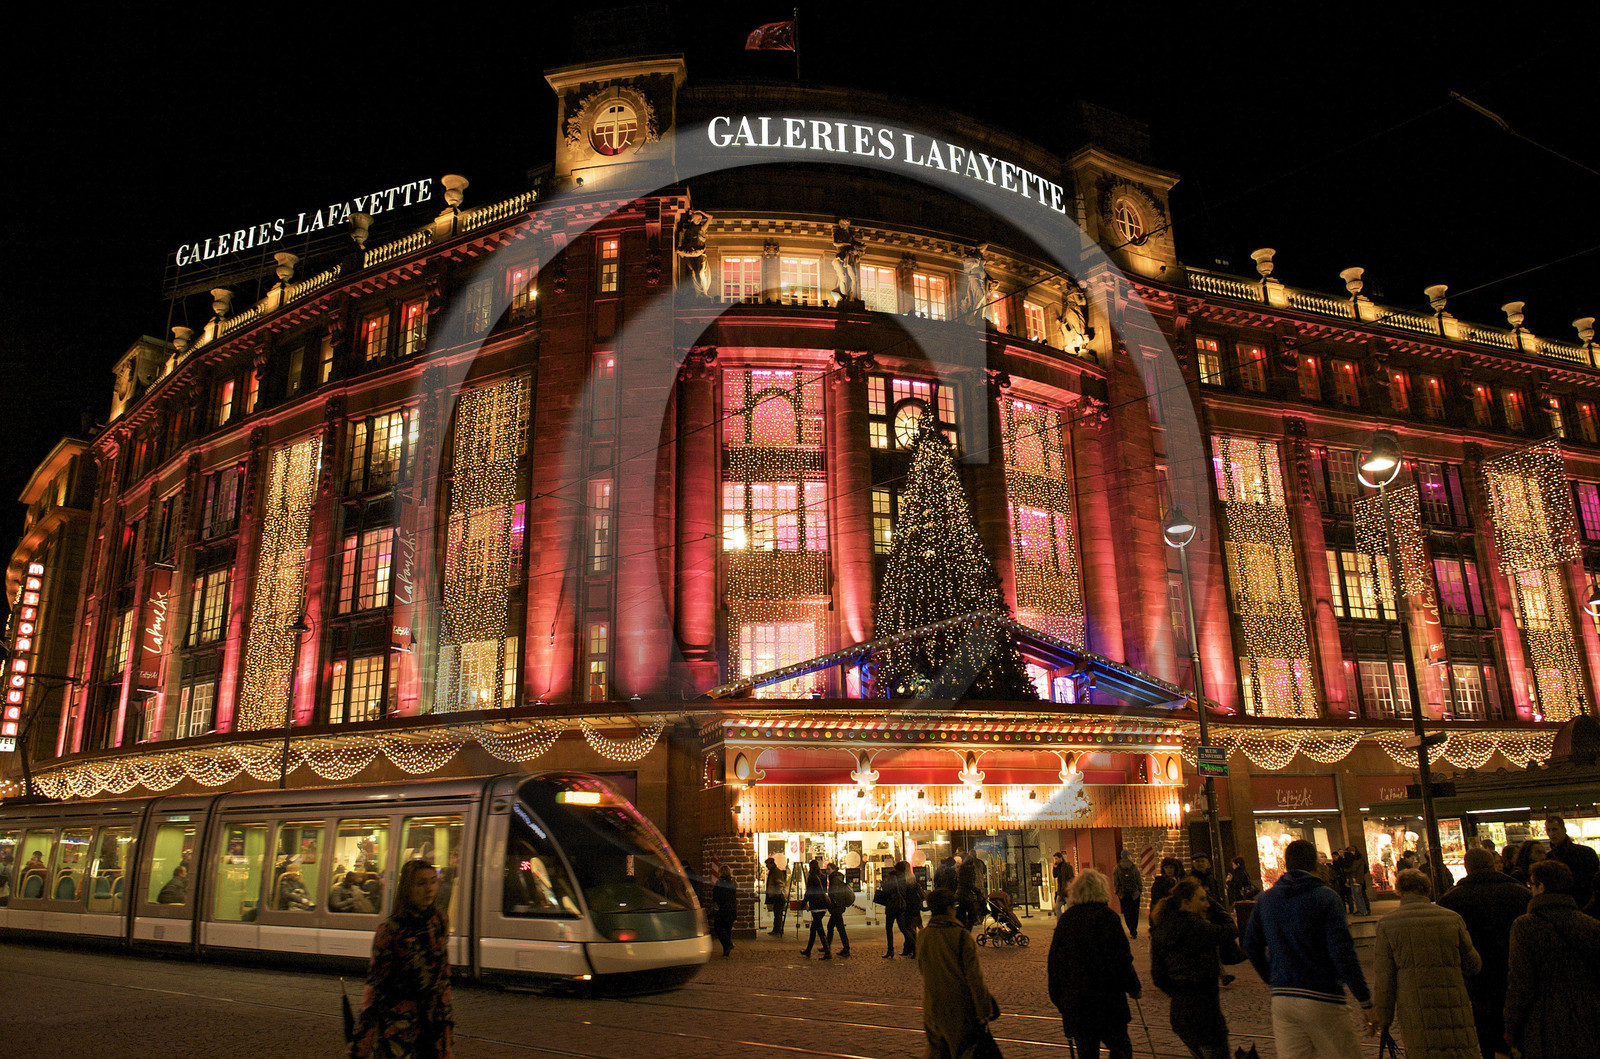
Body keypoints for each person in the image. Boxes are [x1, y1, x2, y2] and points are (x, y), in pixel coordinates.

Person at [1242, 838, 1372, 1059]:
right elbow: (1343, 952)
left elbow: (1251, 945)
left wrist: (1273, 978)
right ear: (1315, 863)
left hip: (1283, 999)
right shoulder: (1325, 897)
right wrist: (1365, 1000)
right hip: (1323, 995)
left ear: (1286, 864)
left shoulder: (1267, 899)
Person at [1371, 869, 1481, 1058]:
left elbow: (1385, 979)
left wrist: (1384, 1018)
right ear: (1427, 889)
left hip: (1416, 1011)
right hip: (1454, 1005)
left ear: (1400, 891)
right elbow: (1473, 964)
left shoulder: (1388, 924)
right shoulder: (1452, 918)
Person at [351, 860, 453, 1059]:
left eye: (433, 882)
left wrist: (447, 1023)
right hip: (400, 1030)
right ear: (407, 888)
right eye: (421, 884)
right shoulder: (390, 930)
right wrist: (361, 1044)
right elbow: (374, 989)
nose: (429, 889)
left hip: (434, 1026)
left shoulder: (439, 921)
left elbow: (444, 977)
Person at [1439, 846, 1531, 1059]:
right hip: (1513, 968)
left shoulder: (1452, 900)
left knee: (1484, 1025)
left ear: (1467, 868)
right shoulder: (1520, 893)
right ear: (1492, 865)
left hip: (1477, 975)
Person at [1503, 859, 1600, 1059]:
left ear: (1541, 887)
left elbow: (1521, 981)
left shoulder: (1525, 926)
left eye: (1532, 884)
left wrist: (1511, 1028)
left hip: (1544, 1021)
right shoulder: (1591, 925)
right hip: (1589, 1017)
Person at [1048, 869, 1141, 1059]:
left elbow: (1055, 963)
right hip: (1108, 1000)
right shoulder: (1108, 917)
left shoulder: (1067, 920)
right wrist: (1133, 986)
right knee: (1120, 1048)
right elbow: (1122, 958)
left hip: (1077, 1003)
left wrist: (1060, 999)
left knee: (1087, 1052)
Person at [1151, 876, 1237, 1059]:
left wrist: (1179, 993)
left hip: (1180, 1013)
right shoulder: (1196, 927)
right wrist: (1214, 904)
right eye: (1202, 899)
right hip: (1205, 1014)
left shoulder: (1161, 929)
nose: (1206, 904)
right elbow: (1230, 929)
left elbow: (1158, 976)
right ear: (1186, 903)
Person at [917, 888, 999, 1059]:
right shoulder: (960, 936)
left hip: (932, 1009)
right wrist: (984, 1010)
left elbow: (923, 969)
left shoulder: (923, 936)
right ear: (949, 908)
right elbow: (975, 978)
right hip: (959, 1010)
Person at [1542, 815, 1598, 909]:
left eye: (1555, 829)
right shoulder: (1548, 858)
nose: (1551, 834)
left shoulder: (1585, 853)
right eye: (1549, 830)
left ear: (1564, 830)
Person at [799, 861, 830, 958]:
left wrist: (803, 903)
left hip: (815, 905)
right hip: (823, 905)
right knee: (814, 929)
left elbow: (809, 892)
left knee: (819, 929)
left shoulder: (811, 877)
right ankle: (808, 950)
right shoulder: (823, 876)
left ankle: (827, 951)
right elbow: (824, 890)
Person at [1112, 849, 1143, 938]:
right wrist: (1139, 890)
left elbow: (1116, 881)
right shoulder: (1133, 867)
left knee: (1127, 912)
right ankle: (1134, 930)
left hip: (1123, 894)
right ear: (1128, 856)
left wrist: (1118, 892)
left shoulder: (1117, 868)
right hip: (1135, 894)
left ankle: (1131, 929)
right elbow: (1138, 879)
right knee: (1135, 912)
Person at [825, 862, 852, 957]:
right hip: (838, 906)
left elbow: (834, 893)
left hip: (836, 907)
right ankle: (828, 946)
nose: (827, 871)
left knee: (839, 928)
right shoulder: (836, 878)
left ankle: (845, 948)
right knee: (832, 926)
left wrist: (832, 903)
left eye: (828, 869)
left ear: (833, 869)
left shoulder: (834, 879)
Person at [897, 860, 923, 956]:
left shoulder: (902, 880)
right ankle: (910, 948)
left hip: (908, 906)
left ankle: (913, 948)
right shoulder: (912, 878)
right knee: (913, 927)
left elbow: (903, 894)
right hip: (914, 905)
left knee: (908, 927)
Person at [710, 863, 737, 957]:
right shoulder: (733, 883)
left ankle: (727, 944)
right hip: (732, 909)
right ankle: (726, 949)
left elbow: (715, 897)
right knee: (728, 928)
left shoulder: (719, 884)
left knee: (718, 927)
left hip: (722, 909)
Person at [880, 859, 905, 957]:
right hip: (900, 905)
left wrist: (883, 884)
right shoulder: (904, 877)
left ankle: (890, 949)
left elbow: (889, 890)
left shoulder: (892, 876)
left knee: (889, 927)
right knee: (902, 927)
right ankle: (914, 945)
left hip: (892, 905)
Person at [764, 856, 786, 936]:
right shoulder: (773, 872)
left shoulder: (776, 872)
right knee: (777, 913)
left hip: (778, 896)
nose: (766, 867)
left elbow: (780, 884)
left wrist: (776, 894)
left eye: (767, 865)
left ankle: (777, 929)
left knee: (778, 913)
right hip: (776, 896)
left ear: (771, 864)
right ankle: (777, 929)